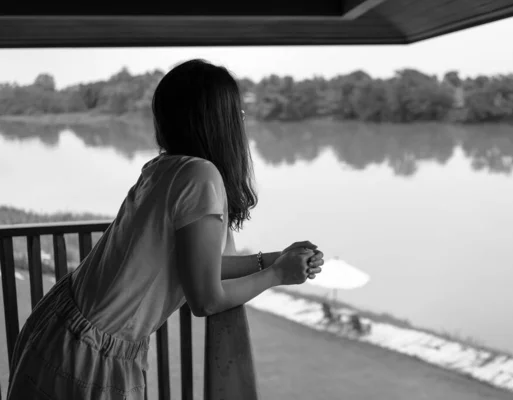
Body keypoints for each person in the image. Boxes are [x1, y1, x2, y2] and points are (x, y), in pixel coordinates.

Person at [6, 59, 324, 399]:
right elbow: (207, 299)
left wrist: (275, 259)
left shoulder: (165, 169)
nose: (242, 125)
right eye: (239, 115)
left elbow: (197, 268)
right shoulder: (200, 177)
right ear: (220, 122)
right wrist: (277, 275)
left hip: (63, 326)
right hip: (88, 352)